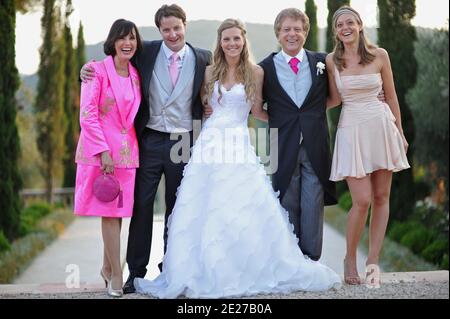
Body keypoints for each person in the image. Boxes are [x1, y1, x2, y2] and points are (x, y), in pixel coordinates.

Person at [133, 18, 341, 299]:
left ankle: (244, 266)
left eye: (236, 38)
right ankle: (199, 268)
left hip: (239, 145)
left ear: (244, 41)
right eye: (226, 39)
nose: (231, 43)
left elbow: (257, 111)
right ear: (220, 42)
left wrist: (291, 122)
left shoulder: (256, 73)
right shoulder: (209, 72)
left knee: (241, 206)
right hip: (209, 146)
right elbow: (200, 105)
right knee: (203, 206)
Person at [81, 4, 211, 294]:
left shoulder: (203, 57)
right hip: (149, 138)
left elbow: (211, 90)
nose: (172, 34)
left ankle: (172, 268)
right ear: (159, 30)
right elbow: (113, 59)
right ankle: (135, 272)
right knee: (140, 206)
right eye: (166, 29)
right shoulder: (145, 51)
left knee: (177, 209)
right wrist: (85, 70)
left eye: (177, 28)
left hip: (183, 140)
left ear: (185, 26)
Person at [326, 6, 410, 285]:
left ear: (360, 25)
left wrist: (399, 132)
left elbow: (393, 96)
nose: (345, 28)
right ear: (336, 31)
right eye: (339, 25)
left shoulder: (380, 55)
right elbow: (335, 99)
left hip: (381, 126)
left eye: (350, 22)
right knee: (361, 200)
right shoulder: (331, 61)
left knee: (381, 198)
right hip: (351, 130)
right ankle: (350, 258)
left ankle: (373, 260)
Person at [258, 8, 337, 262]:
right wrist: (284, 122)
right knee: (286, 200)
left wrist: (310, 116)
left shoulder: (322, 62)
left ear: (305, 32)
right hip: (281, 143)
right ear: (278, 34)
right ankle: (290, 260)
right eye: (286, 29)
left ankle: (311, 260)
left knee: (313, 202)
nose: (292, 34)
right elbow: (257, 110)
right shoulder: (264, 68)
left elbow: (335, 97)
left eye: (297, 29)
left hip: (315, 144)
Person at [74, 19, 142, 297]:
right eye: (122, 38)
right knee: (110, 214)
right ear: (112, 41)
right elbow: (87, 114)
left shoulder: (136, 73)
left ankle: (106, 265)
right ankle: (116, 274)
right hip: (101, 154)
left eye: (133, 38)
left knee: (120, 214)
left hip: (128, 154)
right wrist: (103, 152)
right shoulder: (95, 70)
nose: (128, 43)